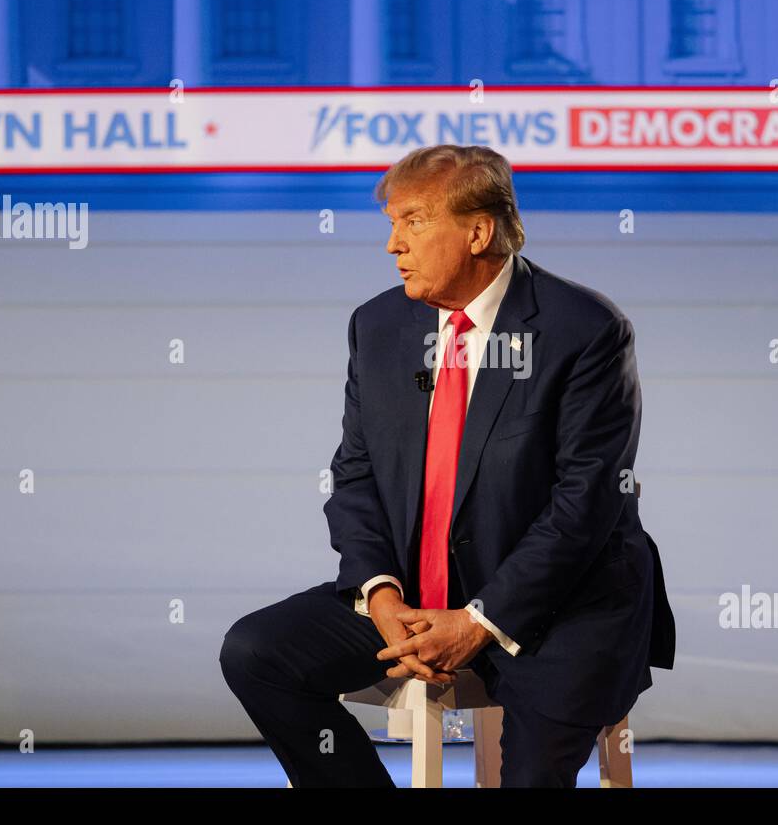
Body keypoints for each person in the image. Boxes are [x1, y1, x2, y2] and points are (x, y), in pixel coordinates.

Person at [220, 144, 675, 787]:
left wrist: (478, 621)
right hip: (417, 597)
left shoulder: (584, 329)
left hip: (558, 609)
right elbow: (355, 475)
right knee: (257, 652)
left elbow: (586, 505)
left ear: (478, 232)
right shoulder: (378, 325)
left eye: (412, 221)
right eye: (391, 223)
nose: (391, 245)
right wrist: (380, 595)